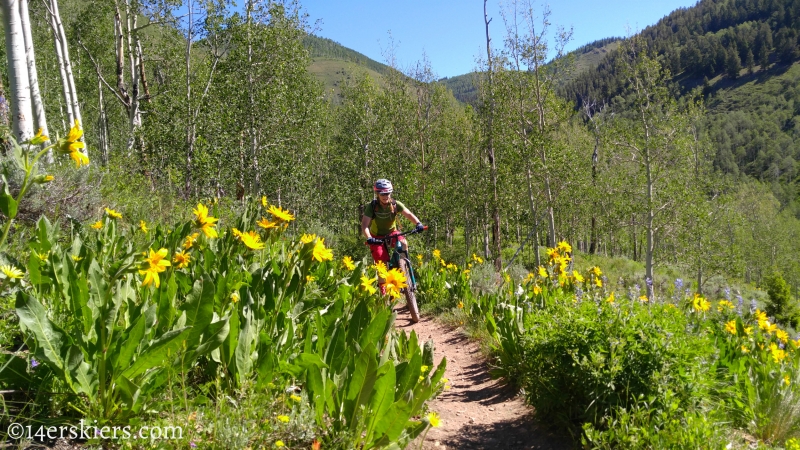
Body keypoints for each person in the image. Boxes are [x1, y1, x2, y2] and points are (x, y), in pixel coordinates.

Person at [362, 179, 424, 296]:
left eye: (388, 193)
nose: (385, 196)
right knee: (382, 265)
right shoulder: (372, 206)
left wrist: (418, 223)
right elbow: (365, 225)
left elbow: (409, 214)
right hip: (376, 236)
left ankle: (402, 265)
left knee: (404, 243)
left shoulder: (395, 204)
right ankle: (384, 294)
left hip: (392, 233)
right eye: (382, 194)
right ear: (377, 194)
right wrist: (369, 237)